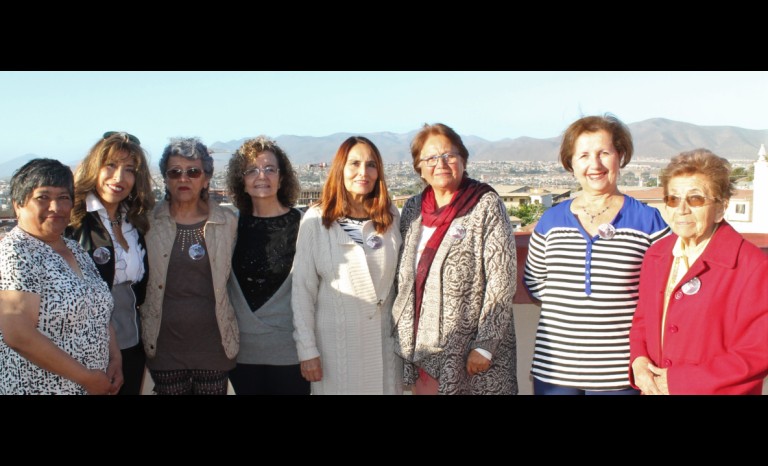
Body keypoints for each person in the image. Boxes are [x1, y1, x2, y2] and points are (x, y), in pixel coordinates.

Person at [523, 114, 669, 395]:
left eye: (604, 153)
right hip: (554, 371)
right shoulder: (551, 221)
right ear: (571, 163)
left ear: (621, 156)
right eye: (584, 155)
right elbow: (535, 282)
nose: (595, 165)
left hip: (620, 374)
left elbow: (662, 291)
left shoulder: (649, 222)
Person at [629, 149, 768, 395]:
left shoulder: (752, 266)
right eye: (672, 199)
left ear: (721, 208)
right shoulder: (656, 255)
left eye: (695, 199)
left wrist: (682, 381)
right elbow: (643, 320)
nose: (681, 209)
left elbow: (758, 351)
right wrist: (639, 361)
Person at [393, 123, 517, 395]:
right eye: (431, 158)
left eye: (450, 155)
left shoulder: (485, 205)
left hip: (472, 351)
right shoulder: (413, 208)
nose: (441, 163)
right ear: (419, 166)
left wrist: (485, 345)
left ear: (463, 160)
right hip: (423, 350)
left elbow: (502, 281)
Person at [292, 136, 402, 394]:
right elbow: (301, 291)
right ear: (340, 168)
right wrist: (307, 350)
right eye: (354, 163)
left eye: (371, 164)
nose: (363, 172)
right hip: (335, 352)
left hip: (384, 349)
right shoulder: (317, 220)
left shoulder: (391, 216)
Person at [0, 158, 120, 394]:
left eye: (63, 198)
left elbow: (99, 311)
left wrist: (115, 359)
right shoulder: (16, 252)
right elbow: (18, 334)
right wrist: (86, 378)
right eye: (42, 198)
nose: (55, 207)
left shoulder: (74, 249)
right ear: (18, 205)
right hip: (38, 387)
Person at [140, 137, 239, 395]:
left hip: (214, 349)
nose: (184, 179)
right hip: (164, 350)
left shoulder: (227, 223)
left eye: (193, 172)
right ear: (165, 178)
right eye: (175, 172)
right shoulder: (148, 224)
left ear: (206, 178)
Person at [66, 131, 154, 395]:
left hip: (131, 341)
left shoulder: (135, 221)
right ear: (95, 167)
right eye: (111, 166)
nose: (119, 178)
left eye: (129, 170)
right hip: (84, 345)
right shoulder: (73, 220)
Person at [225, 136, 309, 395]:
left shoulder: (305, 225)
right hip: (242, 355)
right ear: (242, 180)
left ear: (282, 178)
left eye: (270, 168)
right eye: (251, 170)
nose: (262, 176)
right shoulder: (229, 226)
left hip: (292, 354)